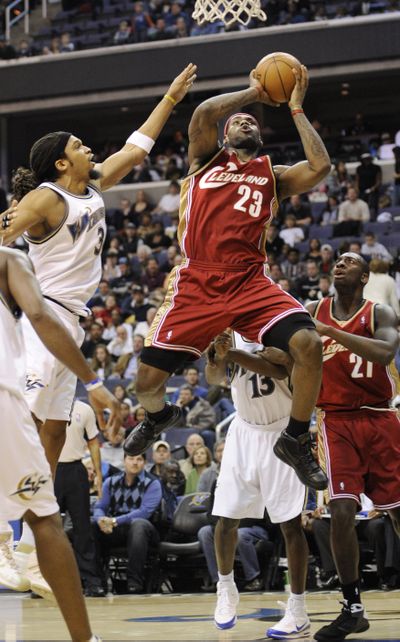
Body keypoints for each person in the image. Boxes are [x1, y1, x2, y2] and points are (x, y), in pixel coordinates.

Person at [0, 63, 196, 591]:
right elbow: (3, 230)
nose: (91, 150)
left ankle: (20, 544)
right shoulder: (47, 198)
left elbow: (136, 150)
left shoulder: (92, 187)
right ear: (63, 161)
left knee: (56, 433)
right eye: (82, 146)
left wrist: (171, 98)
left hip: (73, 323)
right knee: (24, 426)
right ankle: (1, 535)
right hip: (43, 318)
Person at [124, 65, 331, 492]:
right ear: (223, 135)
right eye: (237, 121)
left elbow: (321, 166)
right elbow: (202, 113)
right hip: (197, 280)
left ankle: (295, 439)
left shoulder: (272, 176)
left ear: (260, 138)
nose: (243, 121)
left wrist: (294, 108)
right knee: (145, 385)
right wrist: (254, 92)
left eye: (251, 122)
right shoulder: (204, 160)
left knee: (308, 344)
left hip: (249, 281)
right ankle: (160, 416)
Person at [0, 246, 120, 641]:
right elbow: (37, 314)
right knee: (45, 518)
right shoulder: (9, 259)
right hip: (5, 395)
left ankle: (15, 548)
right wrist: (94, 381)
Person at [306, 252, 400, 641]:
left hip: (381, 417)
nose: (338, 265)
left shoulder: (380, 314)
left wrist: (331, 334)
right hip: (337, 420)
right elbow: (286, 358)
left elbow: (385, 353)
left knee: (397, 513)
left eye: (349, 262)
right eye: (337, 262)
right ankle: (353, 608)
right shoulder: (314, 309)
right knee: (341, 509)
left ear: (364, 276)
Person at [205, 331, 311, 637]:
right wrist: (216, 358)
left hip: (283, 431)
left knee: (290, 525)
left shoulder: (281, 327)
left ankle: (298, 609)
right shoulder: (229, 332)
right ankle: (226, 587)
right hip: (243, 432)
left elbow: (279, 369)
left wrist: (231, 355)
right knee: (226, 518)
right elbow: (213, 378)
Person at [92, 452, 161, 594]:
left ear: (144, 463)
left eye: (139, 459)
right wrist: (101, 520)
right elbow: (99, 507)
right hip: (115, 528)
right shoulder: (110, 481)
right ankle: (96, 583)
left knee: (138, 525)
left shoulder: (153, 483)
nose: (135, 462)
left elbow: (145, 512)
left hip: (145, 530)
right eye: (131, 458)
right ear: (124, 461)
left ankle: (134, 582)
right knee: (90, 525)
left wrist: (115, 520)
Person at [55, 399, 104, 597]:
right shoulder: (42, 404)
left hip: (76, 469)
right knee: (46, 527)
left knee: (82, 528)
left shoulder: (84, 409)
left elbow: (93, 441)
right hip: (49, 468)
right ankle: (45, 581)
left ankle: (91, 581)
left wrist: (99, 473)